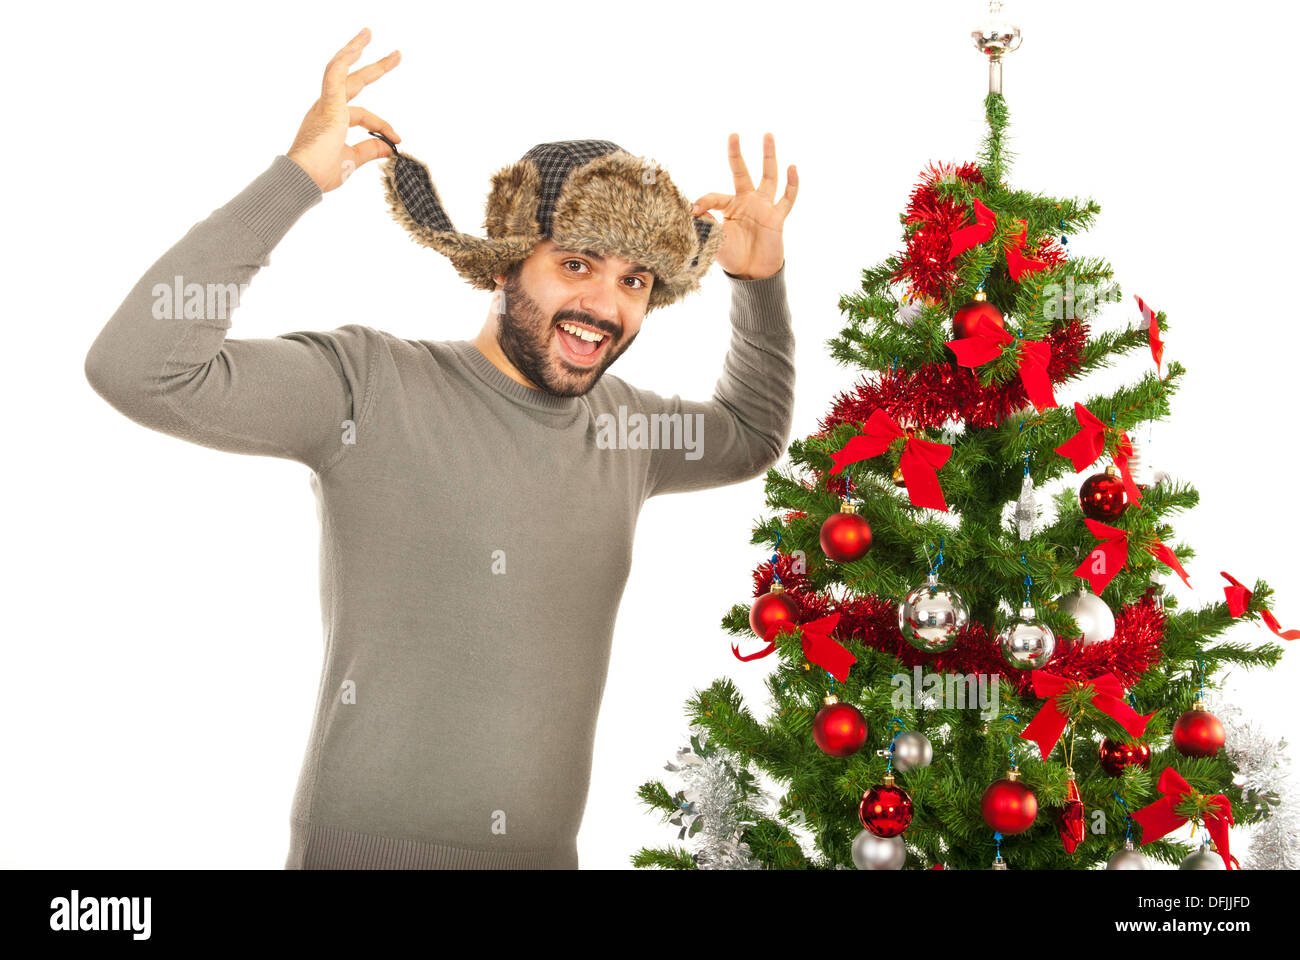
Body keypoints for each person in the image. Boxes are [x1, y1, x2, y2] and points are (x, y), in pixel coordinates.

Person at [83, 27, 798, 869]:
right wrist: (295, 183)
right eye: (576, 264)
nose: (605, 305)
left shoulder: (628, 429)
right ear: (503, 267)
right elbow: (139, 370)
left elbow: (751, 435)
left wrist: (758, 284)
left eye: (635, 280)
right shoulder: (368, 387)